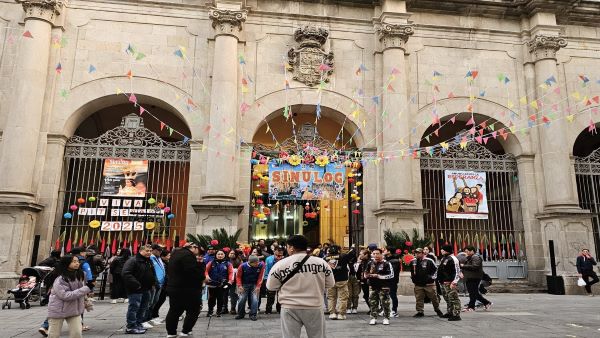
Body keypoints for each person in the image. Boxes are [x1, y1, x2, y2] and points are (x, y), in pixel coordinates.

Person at [267, 234, 334, 338]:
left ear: (292, 248)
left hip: (290, 307)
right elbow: (330, 283)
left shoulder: (280, 265)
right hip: (314, 306)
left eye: (288, 247)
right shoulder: (321, 263)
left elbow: (271, 286)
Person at [47, 254, 95, 338]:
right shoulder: (60, 279)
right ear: (66, 263)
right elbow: (65, 295)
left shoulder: (81, 274)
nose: (77, 263)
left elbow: (82, 291)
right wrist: (87, 288)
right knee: (53, 335)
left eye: (77, 261)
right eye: (74, 262)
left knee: (77, 334)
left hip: (74, 310)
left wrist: (87, 297)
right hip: (58, 310)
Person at [165, 244, 205, 338]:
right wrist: (201, 268)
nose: (198, 255)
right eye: (198, 252)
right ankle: (185, 331)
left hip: (174, 287)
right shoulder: (188, 255)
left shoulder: (176, 253)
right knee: (194, 310)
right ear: (193, 248)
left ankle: (171, 333)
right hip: (188, 289)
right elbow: (193, 272)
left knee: (174, 310)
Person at [122, 244, 156, 334]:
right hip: (135, 289)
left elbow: (152, 272)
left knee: (143, 307)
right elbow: (126, 273)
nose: (149, 252)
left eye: (150, 251)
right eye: (147, 251)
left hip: (146, 288)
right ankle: (131, 326)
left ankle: (138, 323)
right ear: (141, 251)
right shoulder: (133, 260)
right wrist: (137, 285)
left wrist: (153, 282)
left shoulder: (148, 261)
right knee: (134, 307)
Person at [324, 244, 355, 320]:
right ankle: (341, 314)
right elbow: (352, 254)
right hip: (342, 280)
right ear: (338, 250)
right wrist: (352, 247)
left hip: (330, 280)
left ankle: (332, 313)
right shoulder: (343, 256)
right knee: (343, 298)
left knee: (331, 297)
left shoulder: (325, 258)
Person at [410, 248, 444, 318]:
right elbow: (412, 271)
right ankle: (420, 311)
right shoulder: (413, 261)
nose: (417, 254)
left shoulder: (429, 260)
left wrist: (432, 277)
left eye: (419, 253)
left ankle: (437, 309)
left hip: (429, 284)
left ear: (423, 253)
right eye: (416, 253)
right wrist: (413, 277)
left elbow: (436, 270)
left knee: (434, 298)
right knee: (419, 298)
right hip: (418, 284)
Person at [364, 248, 394, 325]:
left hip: (384, 286)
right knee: (373, 302)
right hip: (373, 286)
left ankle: (386, 318)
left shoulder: (386, 263)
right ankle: (373, 317)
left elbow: (391, 275)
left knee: (385, 303)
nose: (375, 255)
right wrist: (367, 275)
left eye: (377, 253)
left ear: (381, 254)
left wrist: (378, 276)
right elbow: (365, 272)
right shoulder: (370, 263)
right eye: (374, 254)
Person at [461, 246, 492, 312]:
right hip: (470, 277)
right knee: (474, 293)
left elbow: (475, 266)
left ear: (472, 251)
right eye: (465, 252)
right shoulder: (470, 257)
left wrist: (463, 266)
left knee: (472, 293)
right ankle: (486, 303)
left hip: (474, 277)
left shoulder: (475, 257)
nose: (466, 253)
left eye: (467, 251)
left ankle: (471, 307)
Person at [235, 255, 265, 321]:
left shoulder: (261, 265)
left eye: (258, 262)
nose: (257, 264)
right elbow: (238, 277)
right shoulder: (242, 266)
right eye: (255, 263)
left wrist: (258, 286)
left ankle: (253, 314)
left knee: (255, 299)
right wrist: (239, 286)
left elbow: (261, 277)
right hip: (244, 284)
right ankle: (241, 314)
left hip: (254, 284)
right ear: (250, 262)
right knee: (242, 299)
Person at [205, 249, 233, 317]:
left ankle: (218, 311)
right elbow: (205, 271)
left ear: (224, 255)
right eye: (218, 254)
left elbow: (231, 273)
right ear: (216, 255)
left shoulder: (228, 264)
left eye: (221, 254)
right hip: (212, 284)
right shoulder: (211, 263)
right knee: (211, 298)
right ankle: (210, 311)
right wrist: (207, 276)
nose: (220, 255)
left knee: (220, 298)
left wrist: (230, 281)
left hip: (222, 284)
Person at [437, 245, 461, 321]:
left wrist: (454, 282)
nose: (441, 251)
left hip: (450, 282)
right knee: (447, 298)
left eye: (443, 249)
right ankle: (450, 312)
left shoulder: (453, 259)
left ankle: (456, 314)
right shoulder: (444, 258)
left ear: (447, 250)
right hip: (443, 282)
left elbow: (457, 271)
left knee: (454, 298)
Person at [145, 244, 166, 326]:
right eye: (159, 250)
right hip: (154, 284)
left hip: (160, 283)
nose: (160, 251)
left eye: (161, 250)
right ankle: (145, 319)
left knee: (154, 302)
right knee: (149, 303)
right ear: (153, 250)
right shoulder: (150, 258)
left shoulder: (158, 258)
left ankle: (150, 318)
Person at [262, 247, 284, 314]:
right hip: (271, 278)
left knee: (280, 295)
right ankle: (268, 310)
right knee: (270, 295)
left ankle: (279, 309)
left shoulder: (284, 259)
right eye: (277, 255)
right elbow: (266, 270)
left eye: (280, 255)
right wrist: (266, 279)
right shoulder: (269, 259)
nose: (278, 257)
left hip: (281, 279)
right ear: (274, 252)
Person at [151, 250, 170, 321]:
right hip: (160, 283)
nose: (169, 257)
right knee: (158, 299)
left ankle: (155, 313)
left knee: (161, 299)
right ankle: (154, 314)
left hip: (164, 283)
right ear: (163, 256)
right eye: (168, 255)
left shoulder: (164, 262)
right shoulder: (160, 262)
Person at [383, 246, 400, 318]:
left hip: (392, 281)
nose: (384, 251)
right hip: (385, 280)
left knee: (393, 295)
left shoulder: (394, 261)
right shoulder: (387, 259)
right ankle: (385, 310)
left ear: (389, 252)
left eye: (385, 250)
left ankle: (394, 311)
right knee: (384, 295)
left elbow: (391, 271)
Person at [225, 249, 243, 315]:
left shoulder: (239, 260)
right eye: (231, 253)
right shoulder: (225, 260)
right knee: (226, 295)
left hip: (236, 280)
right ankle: (225, 308)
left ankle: (233, 308)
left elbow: (242, 270)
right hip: (227, 280)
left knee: (234, 294)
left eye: (233, 253)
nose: (232, 254)